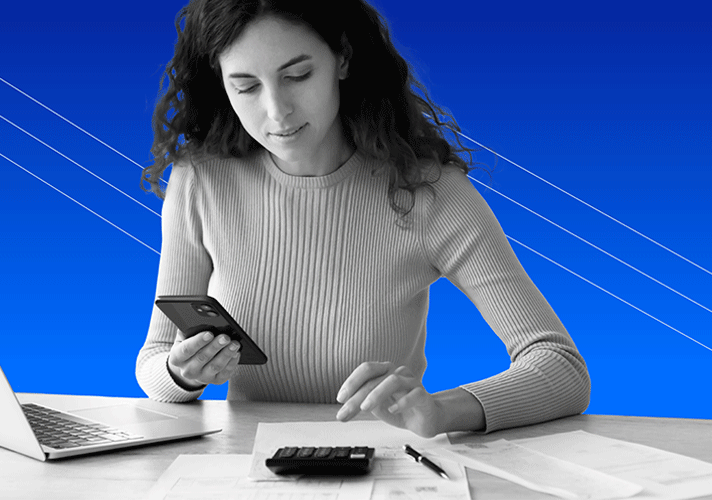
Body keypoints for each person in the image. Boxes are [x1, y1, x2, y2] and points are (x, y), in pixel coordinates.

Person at [136, 0, 590, 438]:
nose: (276, 111)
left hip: (383, 468)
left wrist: (442, 411)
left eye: (298, 75)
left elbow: (561, 367)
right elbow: (153, 361)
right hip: (246, 469)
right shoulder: (201, 182)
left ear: (343, 59)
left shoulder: (428, 193)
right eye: (246, 86)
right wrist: (182, 372)